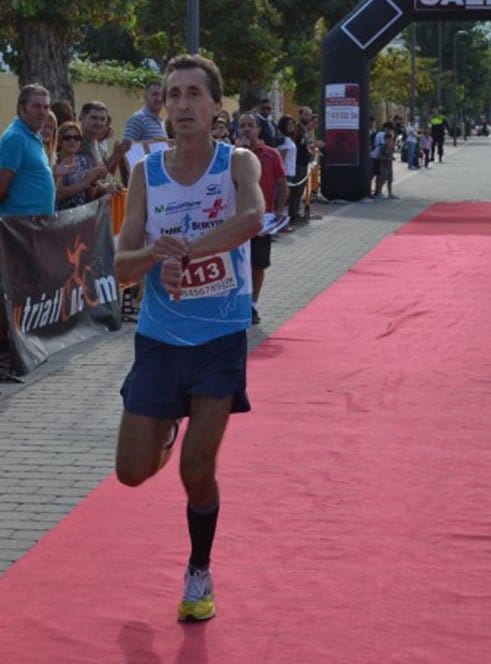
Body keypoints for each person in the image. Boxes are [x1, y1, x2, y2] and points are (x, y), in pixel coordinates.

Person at [113, 53, 263, 623]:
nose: (182, 105)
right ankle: (167, 427)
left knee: (196, 472)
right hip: (159, 338)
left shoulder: (237, 163)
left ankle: (199, 570)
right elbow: (121, 267)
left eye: (194, 94)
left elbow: (251, 219)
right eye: (173, 94)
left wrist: (187, 253)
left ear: (216, 105)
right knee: (131, 472)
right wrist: (156, 255)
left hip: (220, 337)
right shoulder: (145, 174)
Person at [236, 111, 287, 323]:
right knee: (238, 264)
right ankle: (237, 303)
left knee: (258, 263)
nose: (246, 129)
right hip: (237, 219)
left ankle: (252, 305)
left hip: (262, 219)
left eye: (251, 125)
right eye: (242, 125)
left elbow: (282, 184)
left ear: (258, 129)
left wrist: (279, 210)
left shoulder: (271, 154)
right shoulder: (231, 154)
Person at [0, 84, 57, 217]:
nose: (42, 112)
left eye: (46, 107)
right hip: (19, 222)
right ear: (22, 108)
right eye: (36, 106)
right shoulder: (16, 137)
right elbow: (1, 186)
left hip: (37, 223)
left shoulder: (33, 135)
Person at [55, 121, 107, 210]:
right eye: (67, 138)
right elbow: (58, 194)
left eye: (76, 138)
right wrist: (85, 182)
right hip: (61, 214)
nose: (72, 141)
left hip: (82, 213)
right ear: (60, 140)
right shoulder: (55, 160)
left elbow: (90, 197)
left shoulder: (84, 161)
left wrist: (93, 182)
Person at [376, 131, 396, 199]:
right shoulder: (383, 147)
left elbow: (391, 155)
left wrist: (392, 158)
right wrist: (387, 158)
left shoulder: (391, 147)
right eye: (388, 139)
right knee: (383, 179)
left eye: (391, 140)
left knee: (390, 180)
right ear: (385, 139)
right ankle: (379, 193)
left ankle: (390, 194)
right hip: (383, 166)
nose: (390, 141)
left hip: (389, 166)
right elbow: (379, 157)